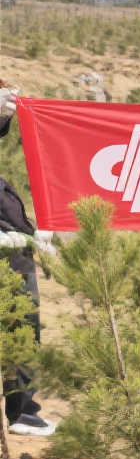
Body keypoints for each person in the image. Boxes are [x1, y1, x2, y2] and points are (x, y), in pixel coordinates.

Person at [0, 95, 56, 437]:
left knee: (23, 333)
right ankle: (20, 412)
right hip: (6, 260)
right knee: (17, 330)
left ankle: (22, 411)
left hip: (16, 258)